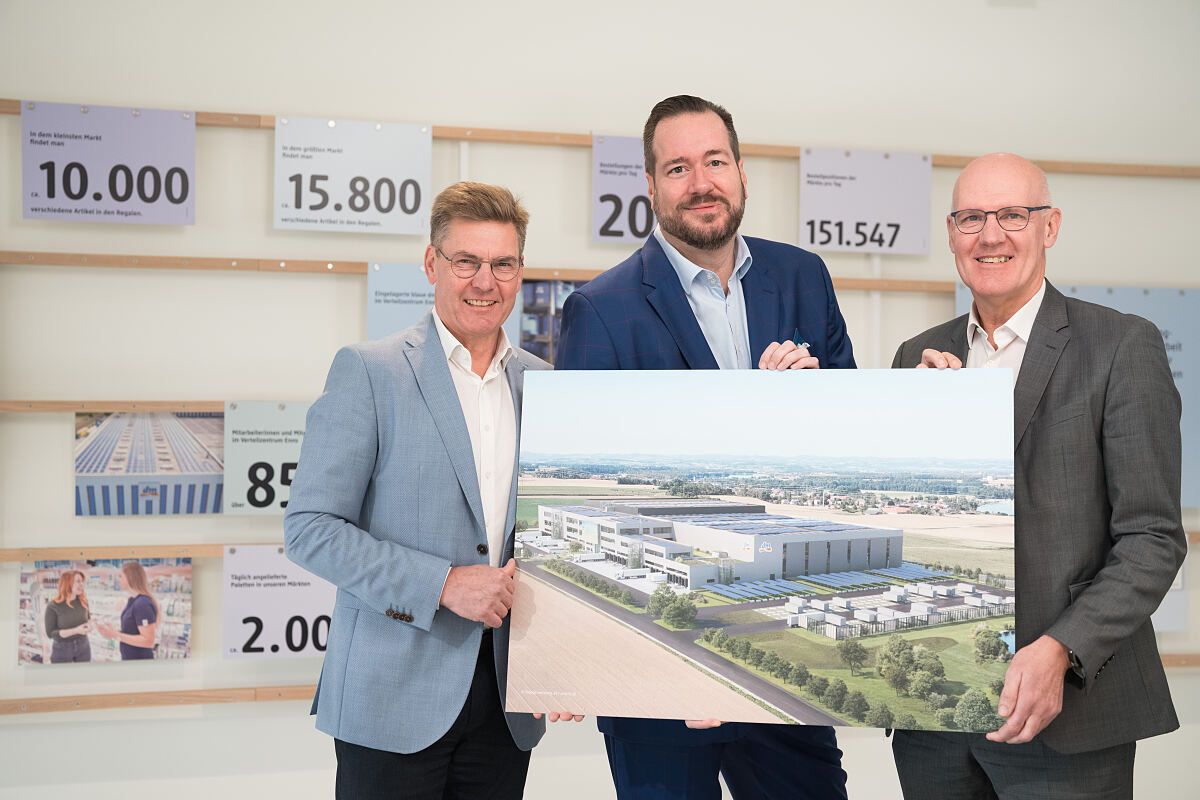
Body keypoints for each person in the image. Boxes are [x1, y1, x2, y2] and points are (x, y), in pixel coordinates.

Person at [557, 95, 853, 800]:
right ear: (651, 187)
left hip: (782, 649)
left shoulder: (804, 277)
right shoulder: (600, 309)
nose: (701, 183)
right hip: (660, 661)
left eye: (715, 162)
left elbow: (847, 439)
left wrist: (811, 405)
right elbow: (587, 495)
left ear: (742, 171)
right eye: (678, 168)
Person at [890, 153, 1186, 799]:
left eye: (1012, 215)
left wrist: (1062, 649)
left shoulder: (1121, 344)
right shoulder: (917, 356)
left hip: (1072, 717)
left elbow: (1153, 538)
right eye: (971, 218)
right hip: (934, 720)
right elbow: (901, 518)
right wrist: (912, 425)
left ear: (1050, 227)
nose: (990, 235)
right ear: (951, 234)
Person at [285, 181, 579, 800]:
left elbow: (553, 539)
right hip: (391, 699)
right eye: (466, 261)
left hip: (507, 702)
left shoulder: (546, 385)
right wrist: (442, 584)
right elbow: (310, 529)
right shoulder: (370, 372)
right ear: (431, 263)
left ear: (520, 271)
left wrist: (564, 662)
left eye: (502, 264)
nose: (485, 282)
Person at [96, 561, 160, 660]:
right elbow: (132, 632)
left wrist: (116, 634)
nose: (118, 579)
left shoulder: (142, 604)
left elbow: (148, 641)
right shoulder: (132, 600)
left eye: (121, 576)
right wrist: (112, 632)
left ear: (130, 578)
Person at [44, 569, 92, 663]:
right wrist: (76, 630)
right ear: (67, 583)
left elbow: (88, 619)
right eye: (78, 581)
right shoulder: (53, 606)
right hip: (62, 649)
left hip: (83, 645)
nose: (82, 584)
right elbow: (51, 634)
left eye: (82, 581)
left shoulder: (83, 601)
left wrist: (90, 625)